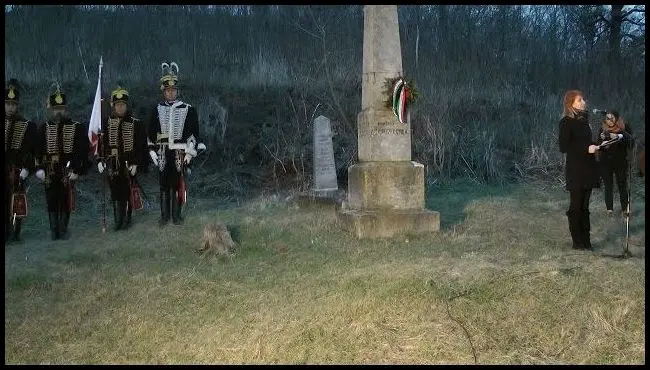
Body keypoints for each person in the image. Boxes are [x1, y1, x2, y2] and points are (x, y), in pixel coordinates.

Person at [148, 62, 206, 227]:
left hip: (179, 153)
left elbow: (193, 133)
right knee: (163, 185)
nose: (171, 93)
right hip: (162, 153)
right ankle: (164, 216)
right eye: (168, 90)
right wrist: (152, 150)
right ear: (164, 92)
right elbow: (151, 132)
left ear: (177, 91)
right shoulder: (156, 109)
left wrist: (189, 152)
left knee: (177, 184)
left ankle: (176, 215)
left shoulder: (189, 109)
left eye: (173, 90)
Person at [34, 86, 87, 240]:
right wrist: (38, 169)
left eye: (61, 108)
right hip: (49, 171)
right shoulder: (44, 127)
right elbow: (37, 150)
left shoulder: (76, 127)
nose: (59, 111)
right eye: (56, 108)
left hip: (66, 170)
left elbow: (81, 151)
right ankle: (53, 231)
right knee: (51, 200)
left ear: (66, 109)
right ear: (51, 110)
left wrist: (76, 169)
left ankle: (63, 230)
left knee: (65, 200)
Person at [97, 86, 148, 231]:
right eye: (117, 105)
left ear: (126, 105)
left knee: (127, 192)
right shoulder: (106, 123)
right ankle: (117, 220)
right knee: (115, 193)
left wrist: (136, 164)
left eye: (123, 105)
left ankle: (127, 219)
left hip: (128, 164)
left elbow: (141, 146)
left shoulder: (136, 123)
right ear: (113, 106)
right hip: (112, 164)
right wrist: (100, 160)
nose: (120, 108)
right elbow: (101, 144)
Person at [558, 90, 600, 251]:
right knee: (576, 206)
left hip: (589, 168)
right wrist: (586, 147)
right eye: (579, 99)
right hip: (575, 170)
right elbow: (564, 146)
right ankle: (577, 242)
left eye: (583, 99)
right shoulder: (566, 122)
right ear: (571, 103)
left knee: (585, 207)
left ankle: (586, 241)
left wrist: (600, 143)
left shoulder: (584, 120)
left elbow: (587, 143)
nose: (583, 101)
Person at [5, 78, 37, 243]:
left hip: (17, 170)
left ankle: (16, 233)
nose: (10, 107)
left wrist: (27, 168)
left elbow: (31, 152)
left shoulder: (27, 125)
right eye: (8, 104)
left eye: (13, 104)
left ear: (17, 106)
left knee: (16, 202)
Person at [595, 110, 634, 217]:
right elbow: (598, 146)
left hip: (620, 161)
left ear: (616, 118)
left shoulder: (624, 127)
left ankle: (625, 209)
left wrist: (617, 137)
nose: (610, 120)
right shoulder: (603, 128)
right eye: (607, 118)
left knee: (622, 185)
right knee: (608, 186)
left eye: (612, 118)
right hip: (605, 162)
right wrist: (602, 140)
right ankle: (609, 210)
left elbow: (631, 143)